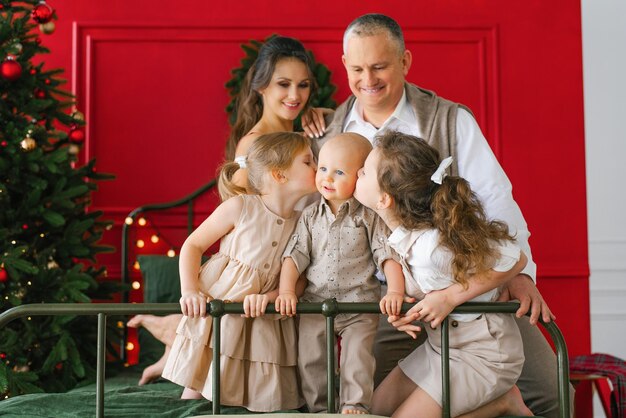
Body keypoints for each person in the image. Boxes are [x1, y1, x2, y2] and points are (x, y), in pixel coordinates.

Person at [302, 13, 570, 417]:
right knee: (360, 404)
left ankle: (503, 401)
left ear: (405, 61)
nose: (368, 79)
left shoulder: (449, 119)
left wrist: (520, 275)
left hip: (471, 291)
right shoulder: (327, 130)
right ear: (344, 64)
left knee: (552, 395)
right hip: (389, 303)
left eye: (380, 66)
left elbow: (497, 202)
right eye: (357, 68)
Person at [127, 35, 318, 385]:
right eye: (284, 84)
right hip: (259, 260)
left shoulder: (304, 136)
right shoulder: (257, 144)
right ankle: (175, 340)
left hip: (292, 256)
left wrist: (323, 117)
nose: (295, 95)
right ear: (261, 86)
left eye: (303, 85)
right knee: (220, 333)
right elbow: (251, 217)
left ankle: (171, 341)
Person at [355, 131, 532, 417]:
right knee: (375, 409)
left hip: (483, 353)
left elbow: (515, 257)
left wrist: (449, 298)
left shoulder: (434, 245)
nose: (357, 172)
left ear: (384, 200)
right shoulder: (404, 235)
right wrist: (405, 312)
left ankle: (503, 402)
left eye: (364, 172)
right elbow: (428, 289)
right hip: (442, 348)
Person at [160, 132, 317, 411]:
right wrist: (190, 291)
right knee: (199, 381)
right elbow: (193, 245)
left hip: (262, 315)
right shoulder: (240, 207)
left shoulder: (305, 222)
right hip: (220, 308)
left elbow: (300, 278)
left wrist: (272, 296)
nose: (317, 168)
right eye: (308, 161)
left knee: (263, 386)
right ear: (280, 175)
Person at [276, 133, 404, 414]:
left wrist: (395, 291)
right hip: (315, 303)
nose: (327, 178)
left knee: (357, 358)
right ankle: (319, 407)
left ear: (360, 177)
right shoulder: (309, 216)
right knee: (312, 358)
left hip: (359, 304)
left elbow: (387, 256)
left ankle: (354, 404)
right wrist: (286, 290)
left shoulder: (368, 216)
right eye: (322, 169)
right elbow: (294, 256)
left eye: (339, 172)